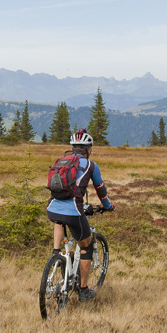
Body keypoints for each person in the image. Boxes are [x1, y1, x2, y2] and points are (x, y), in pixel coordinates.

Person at [46, 129, 114, 302]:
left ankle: (56, 254)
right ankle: (83, 290)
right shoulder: (91, 165)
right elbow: (101, 189)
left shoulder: (62, 161)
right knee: (86, 246)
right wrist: (108, 206)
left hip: (52, 208)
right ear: (89, 150)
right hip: (74, 211)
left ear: (73, 148)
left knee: (59, 220)